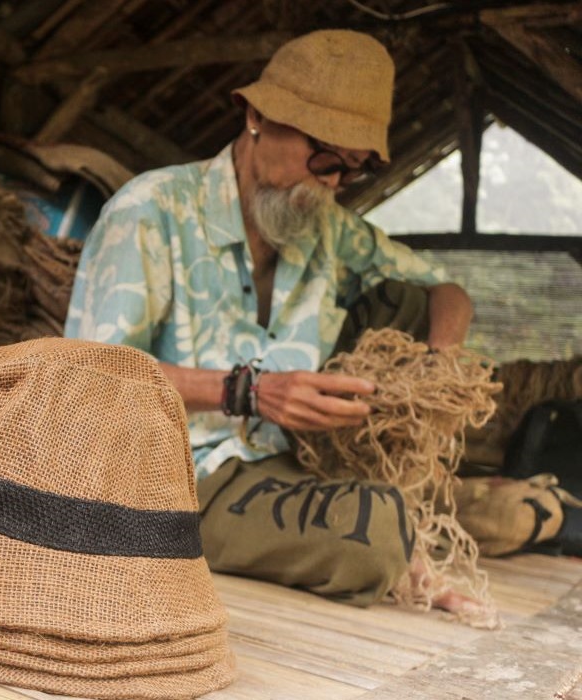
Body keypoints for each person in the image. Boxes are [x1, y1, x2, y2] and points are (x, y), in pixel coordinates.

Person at [64, 30, 476, 609]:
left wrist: (438, 364)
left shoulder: (331, 231)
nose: (332, 182)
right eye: (324, 156)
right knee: (377, 538)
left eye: (351, 171)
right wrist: (247, 392)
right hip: (170, 478)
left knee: (404, 302)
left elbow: (446, 291)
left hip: (282, 463)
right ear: (257, 116)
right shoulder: (149, 211)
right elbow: (90, 376)